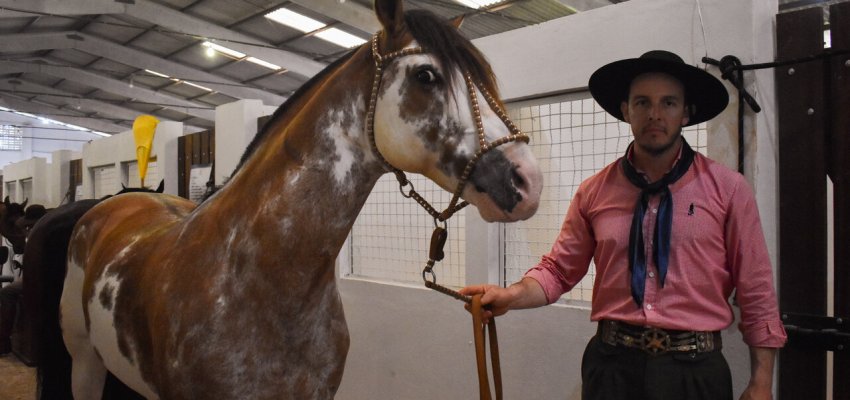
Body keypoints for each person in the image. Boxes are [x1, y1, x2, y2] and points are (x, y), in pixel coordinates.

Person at [460, 50, 787, 400]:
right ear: (625, 110)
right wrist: (510, 296)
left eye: (669, 103)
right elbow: (558, 271)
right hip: (612, 370)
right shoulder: (594, 192)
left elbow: (756, 287)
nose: (655, 114)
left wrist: (762, 382)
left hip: (695, 375)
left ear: (686, 113)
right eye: (642, 102)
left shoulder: (728, 189)